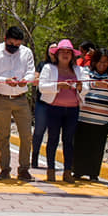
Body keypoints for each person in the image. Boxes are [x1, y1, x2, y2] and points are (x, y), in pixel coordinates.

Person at [0, 26, 36, 180]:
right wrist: (4, 80)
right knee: (3, 135)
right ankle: (5, 168)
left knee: (26, 135)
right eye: (11, 44)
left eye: (17, 45)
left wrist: (26, 80)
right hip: (1, 98)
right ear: (5, 38)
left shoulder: (26, 53)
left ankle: (24, 168)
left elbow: (31, 72)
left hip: (21, 98)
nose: (14, 47)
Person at [39, 39, 86, 182]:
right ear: (57, 54)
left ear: (72, 55)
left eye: (68, 52)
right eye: (62, 52)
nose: (65, 55)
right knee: (52, 139)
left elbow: (86, 87)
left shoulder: (79, 70)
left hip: (72, 109)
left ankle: (67, 171)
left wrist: (79, 87)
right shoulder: (48, 68)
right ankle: (51, 170)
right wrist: (58, 86)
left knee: (68, 141)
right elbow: (42, 87)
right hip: (54, 108)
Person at [73, 48, 108, 181]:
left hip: (102, 118)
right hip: (84, 115)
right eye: (100, 62)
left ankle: (93, 173)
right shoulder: (86, 72)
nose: (102, 65)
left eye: (105, 62)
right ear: (94, 61)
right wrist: (97, 83)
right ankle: (78, 171)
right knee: (81, 144)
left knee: (97, 147)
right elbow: (82, 86)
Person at [31, 42, 58, 168]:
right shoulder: (42, 65)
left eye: (55, 48)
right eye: (51, 48)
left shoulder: (62, 66)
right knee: (39, 131)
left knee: (54, 133)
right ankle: (34, 157)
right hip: (42, 103)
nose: (53, 51)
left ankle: (50, 161)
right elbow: (35, 82)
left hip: (57, 103)